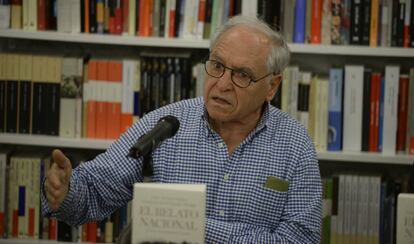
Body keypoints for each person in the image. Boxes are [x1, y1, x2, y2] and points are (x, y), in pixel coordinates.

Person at [42, 15, 322, 243]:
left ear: (271, 86)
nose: (222, 84)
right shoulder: (165, 125)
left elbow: (300, 239)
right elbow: (95, 189)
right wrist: (64, 191)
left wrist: (193, 227)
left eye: (242, 75)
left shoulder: (294, 144)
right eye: (217, 66)